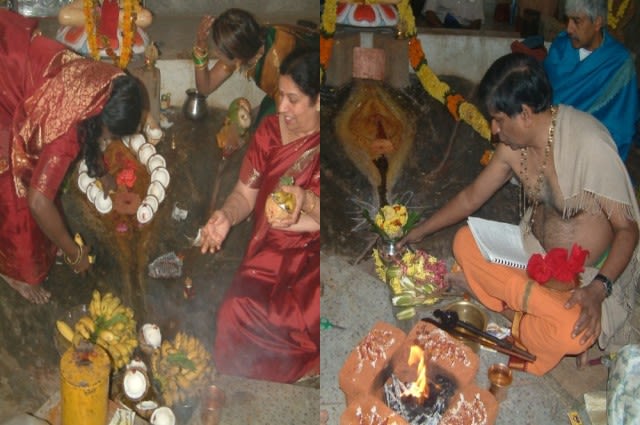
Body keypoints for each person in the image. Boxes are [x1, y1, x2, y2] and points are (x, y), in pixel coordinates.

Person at [399, 53, 640, 376]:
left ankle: (518, 308)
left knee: (573, 331)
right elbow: (471, 197)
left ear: (525, 114)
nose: (494, 131)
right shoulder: (514, 147)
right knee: (465, 241)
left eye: (499, 120)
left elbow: (628, 229)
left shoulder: (590, 144)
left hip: (580, 280)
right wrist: (421, 231)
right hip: (530, 255)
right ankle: (524, 307)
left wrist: (598, 290)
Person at [0, 10, 144, 304]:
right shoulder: (65, 133)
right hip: (6, 70)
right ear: (102, 122)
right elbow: (38, 201)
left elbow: (90, 129)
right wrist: (74, 252)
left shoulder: (100, 81)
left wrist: (102, 172)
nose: (110, 140)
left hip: (11, 54)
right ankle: (11, 271)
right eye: (112, 135)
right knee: (14, 185)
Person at [199, 48, 320, 383]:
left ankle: (297, 388)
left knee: (306, 319)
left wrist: (307, 200)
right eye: (281, 96)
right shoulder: (269, 132)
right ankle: (236, 396)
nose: (282, 108)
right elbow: (243, 195)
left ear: (319, 101)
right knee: (233, 311)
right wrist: (225, 215)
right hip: (268, 250)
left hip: (313, 257)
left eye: (293, 99)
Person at [543, 0, 639, 161]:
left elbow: (622, 127)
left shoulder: (620, 64)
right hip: (548, 139)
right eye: (568, 20)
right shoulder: (560, 46)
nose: (569, 29)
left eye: (577, 21)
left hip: (592, 152)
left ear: (597, 22)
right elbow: (542, 96)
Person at [193, 8, 318, 127]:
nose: (215, 53)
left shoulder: (275, 64)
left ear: (237, 57)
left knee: (266, 134)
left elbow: (290, 114)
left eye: (219, 52)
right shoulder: (247, 46)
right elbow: (205, 88)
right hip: (282, 94)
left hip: (311, 94)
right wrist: (200, 46)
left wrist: (240, 131)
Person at [56, 0, 153, 58]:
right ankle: (102, 16)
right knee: (64, 16)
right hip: (90, 6)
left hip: (119, 6)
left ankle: (105, 16)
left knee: (145, 17)